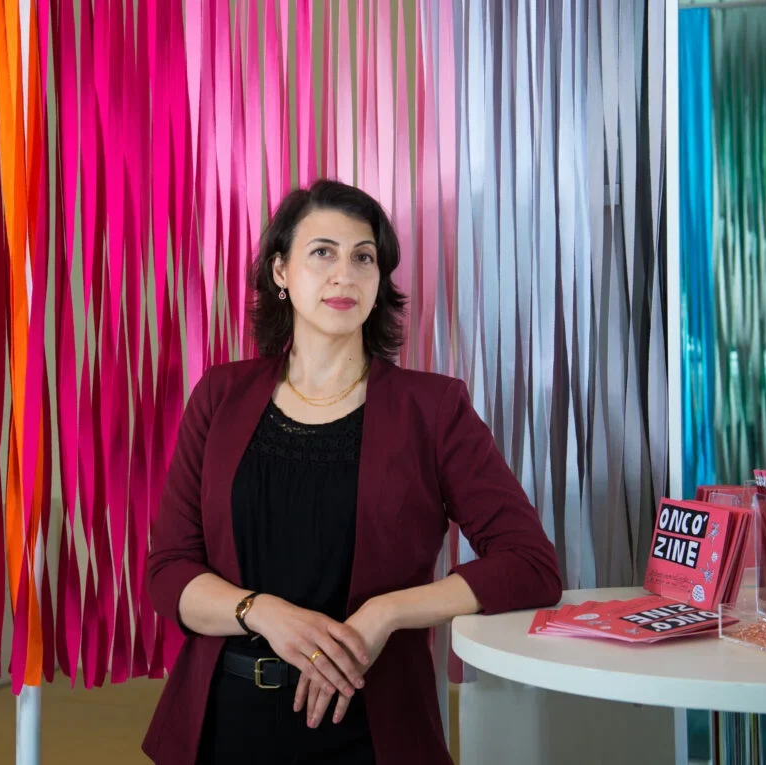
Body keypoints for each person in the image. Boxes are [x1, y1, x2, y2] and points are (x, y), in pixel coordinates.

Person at [141, 179, 562, 765]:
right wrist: (262, 611)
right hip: (225, 721)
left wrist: (383, 615)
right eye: (323, 252)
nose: (345, 274)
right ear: (281, 272)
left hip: (371, 725)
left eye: (363, 257)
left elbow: (530, 564)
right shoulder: (220, 396)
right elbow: (169, 571)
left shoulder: (433, 409)